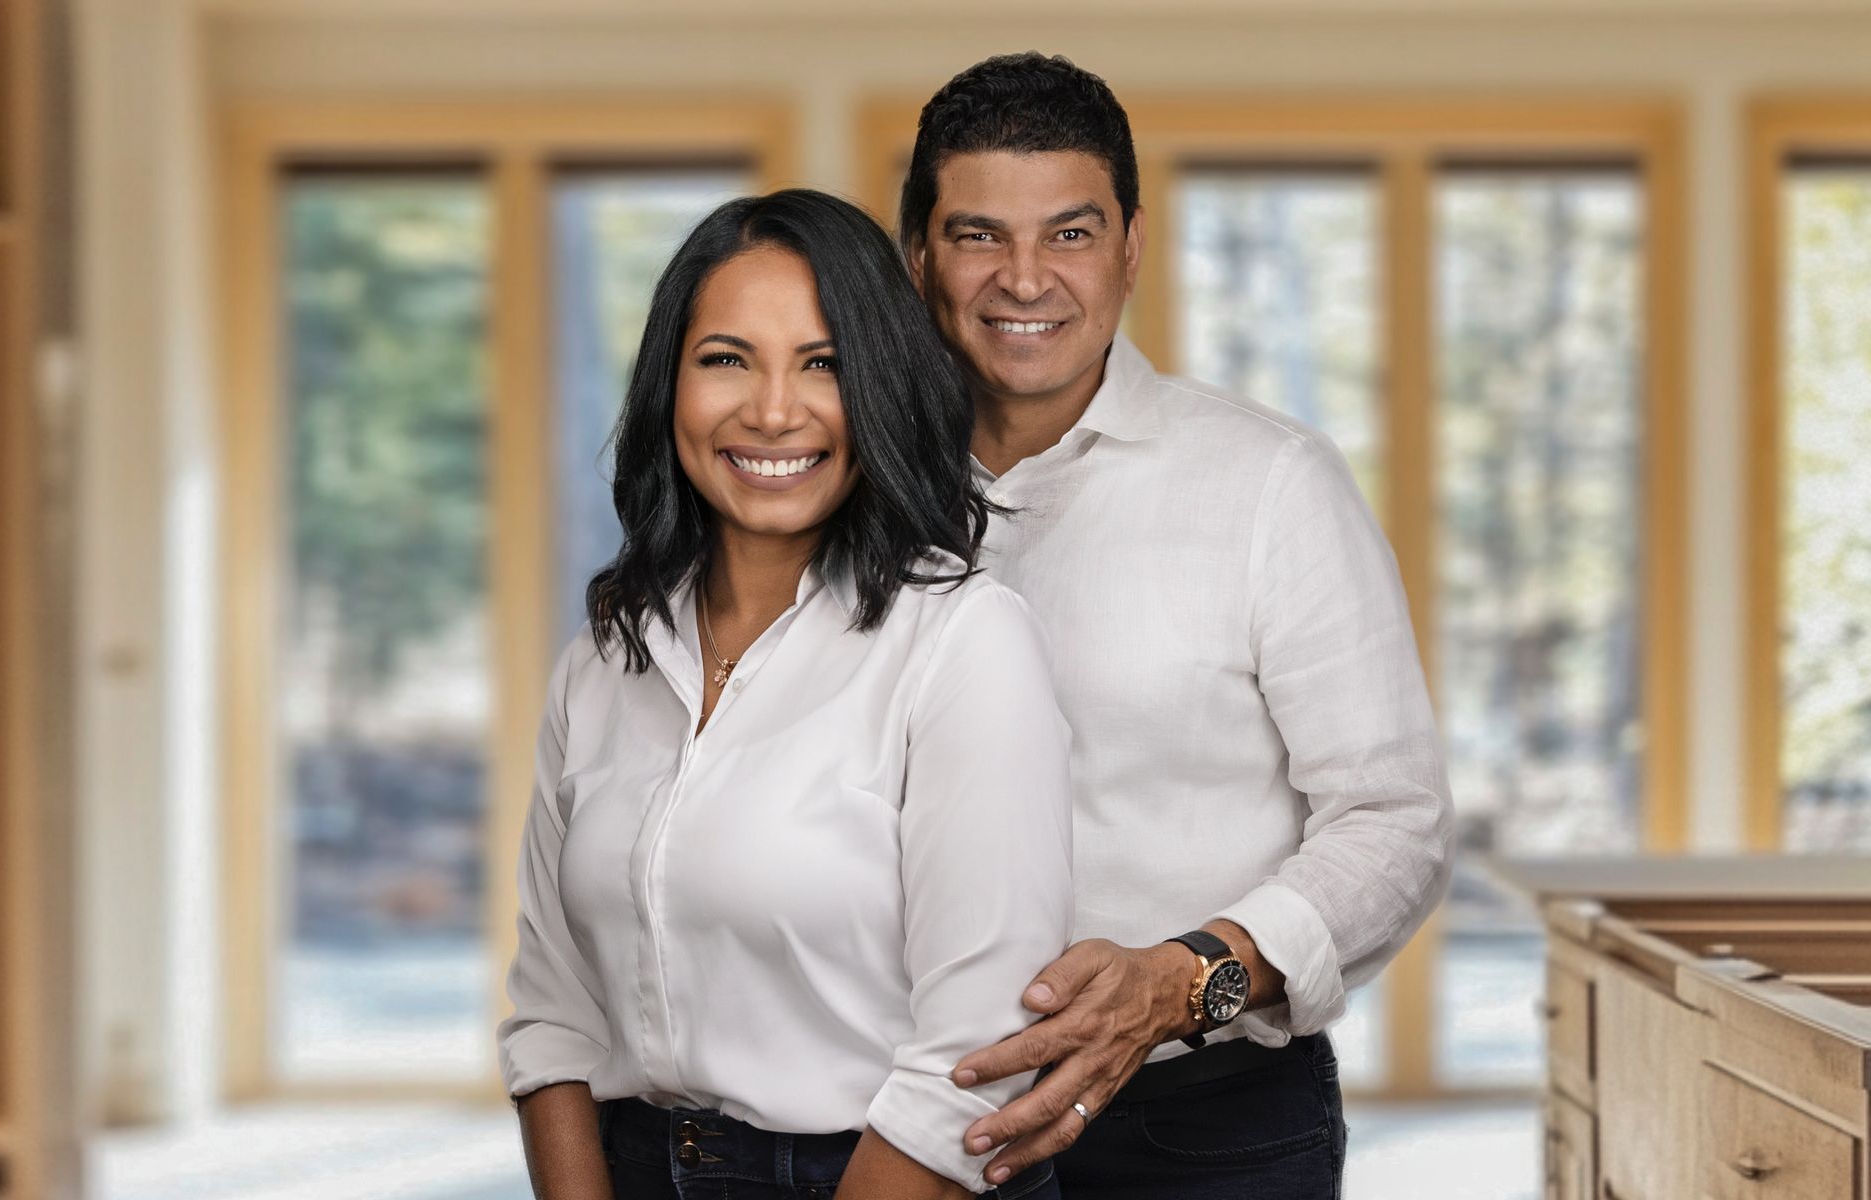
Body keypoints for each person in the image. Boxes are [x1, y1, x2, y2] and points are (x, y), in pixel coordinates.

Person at [897, 54, 1457, 1196]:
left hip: (1203, 1130)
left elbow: (1395, 822)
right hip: (908, 1110)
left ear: (1131, 248)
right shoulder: (850, 494)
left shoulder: (1270, 483)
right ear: (920, 255)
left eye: (1069, 233)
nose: (1024, 279)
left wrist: (1180, 979)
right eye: (977, 236)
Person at [496, 189, 1074, 1200]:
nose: (772, 410)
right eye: (726, 359)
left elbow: (972, 1059)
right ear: (668, 385)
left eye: (824, 365)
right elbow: (553, 1014)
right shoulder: (605, 656)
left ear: (882, 392)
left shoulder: (962, 642)